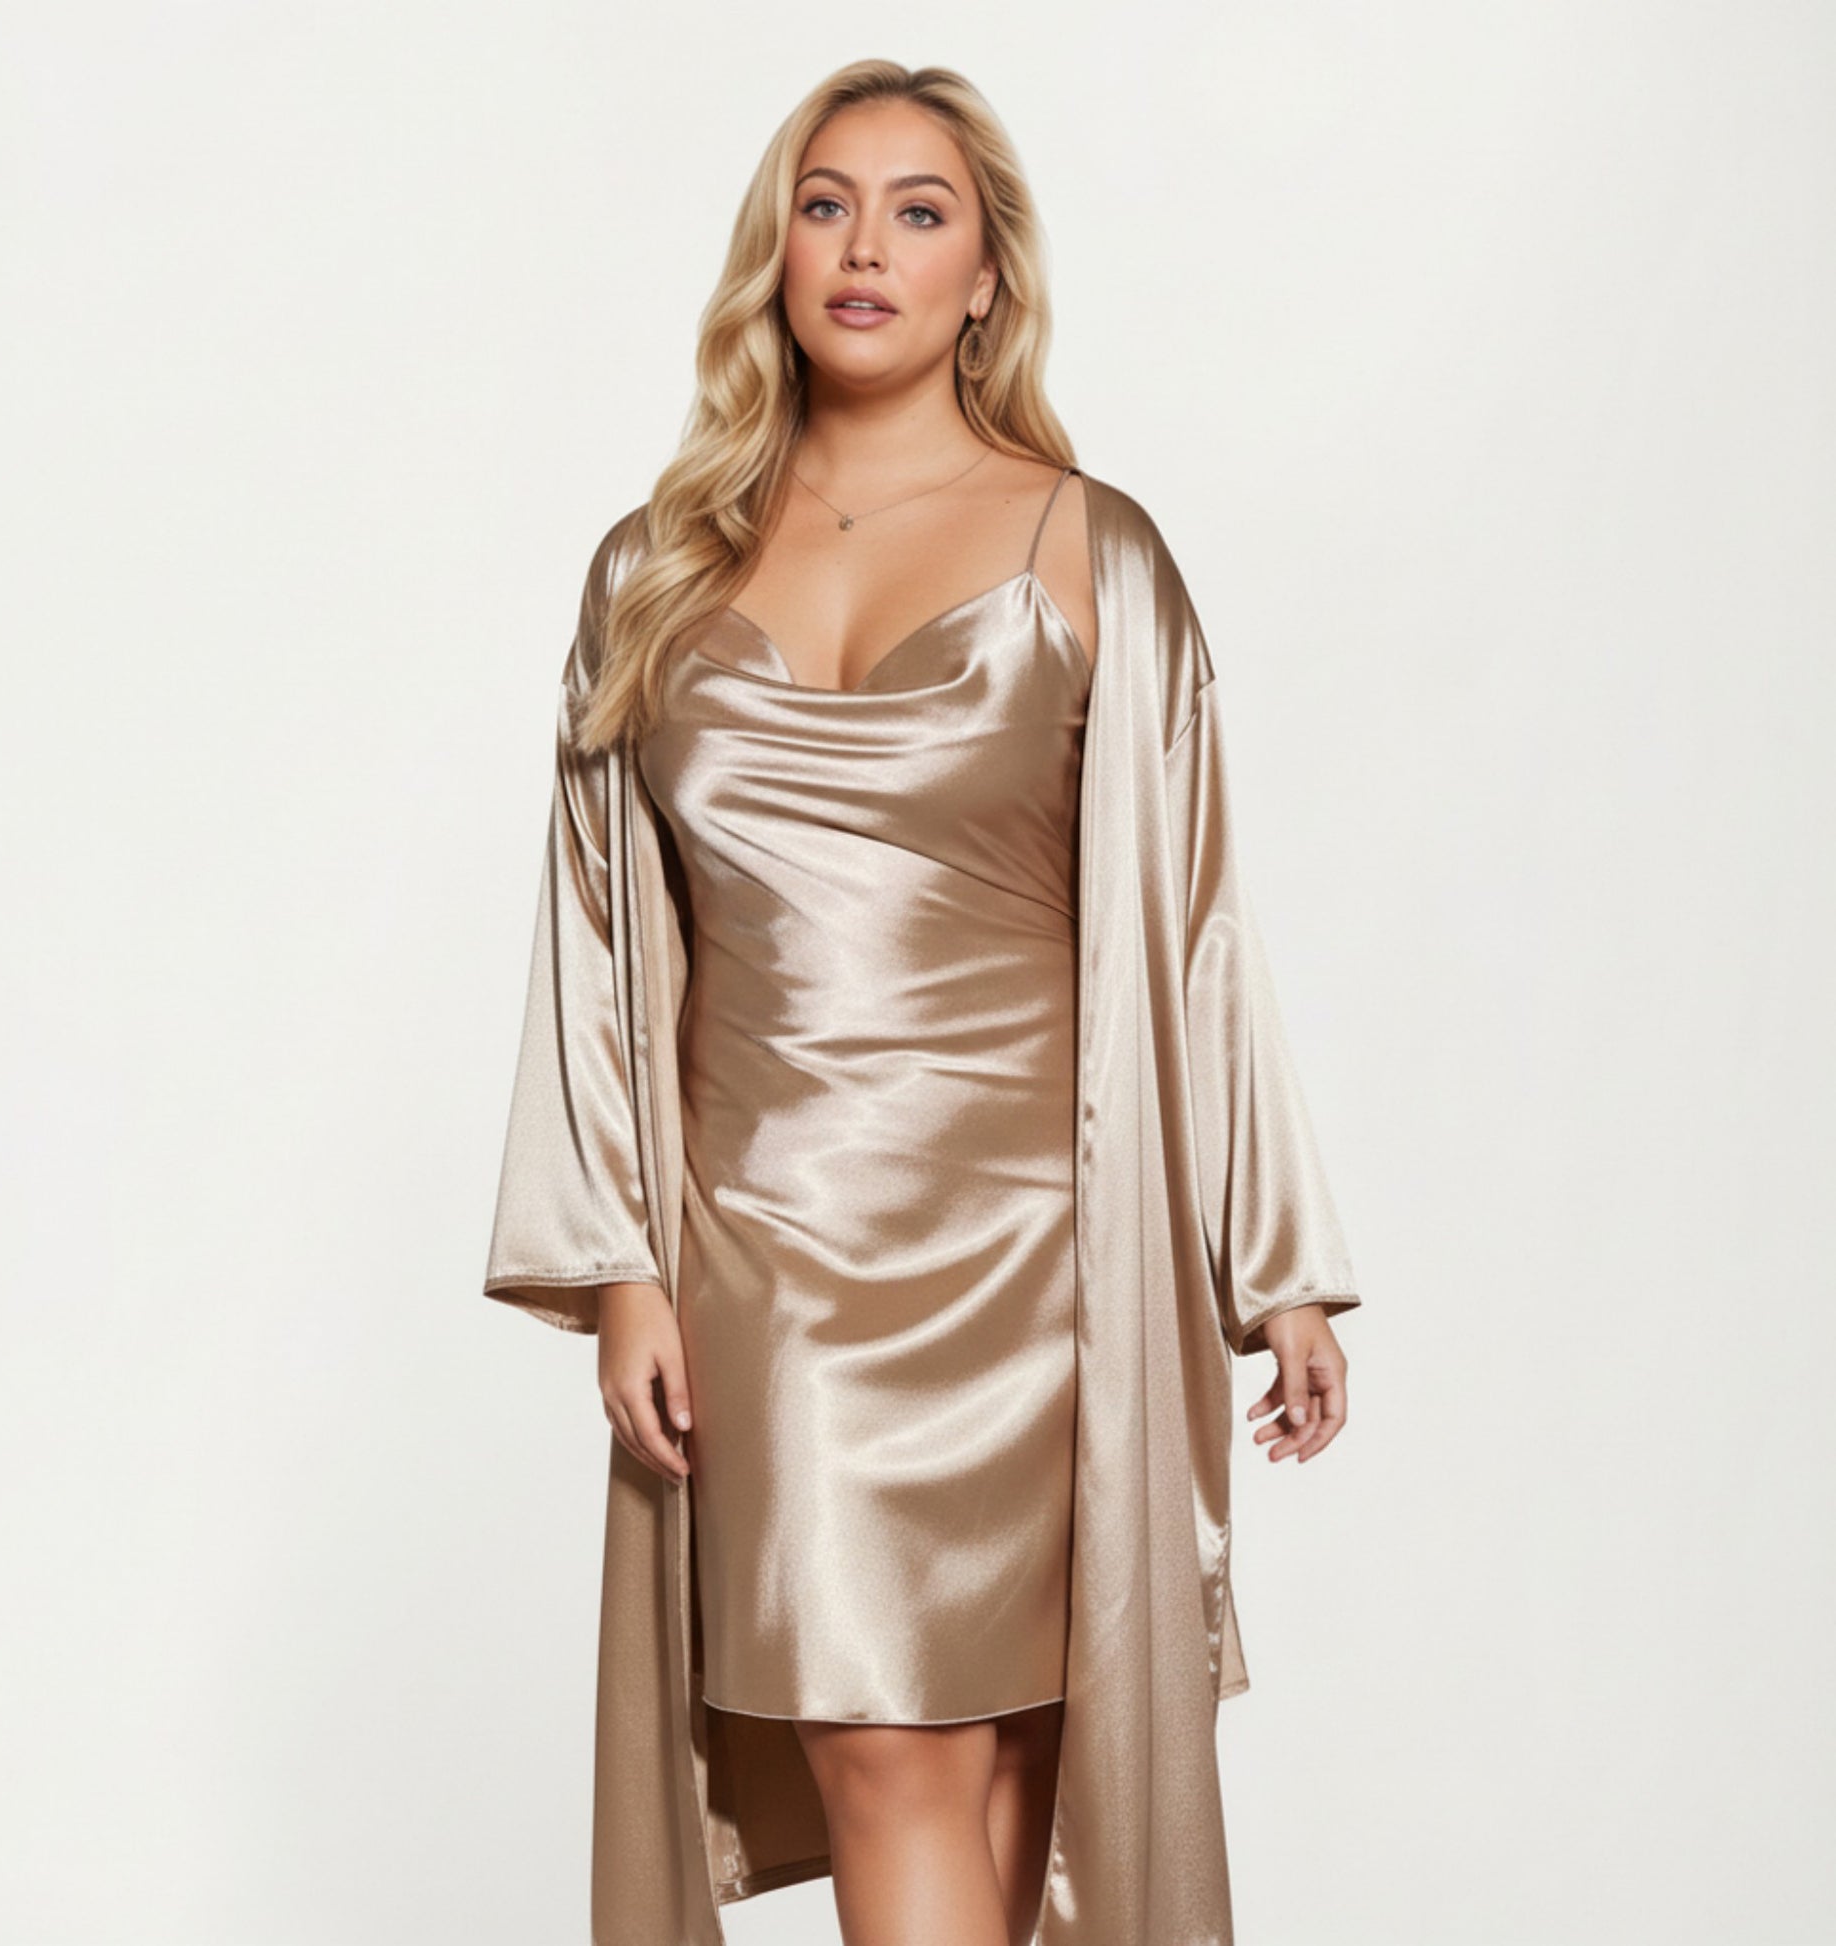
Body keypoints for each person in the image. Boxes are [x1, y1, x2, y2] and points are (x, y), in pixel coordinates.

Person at [482, 58, 1362, 1946]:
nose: (863, 247)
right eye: (825, 205)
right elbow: (597, 942)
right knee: (883, 1747)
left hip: (1046, 1251)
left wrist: (1271, 1267)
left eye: (916, 210)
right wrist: (622, 1261)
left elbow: (1191, 924)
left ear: (986, 279)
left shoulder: (1090, 548)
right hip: (770, 1255)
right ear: (776, 252)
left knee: (1014, 1777)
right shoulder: (650, 570)